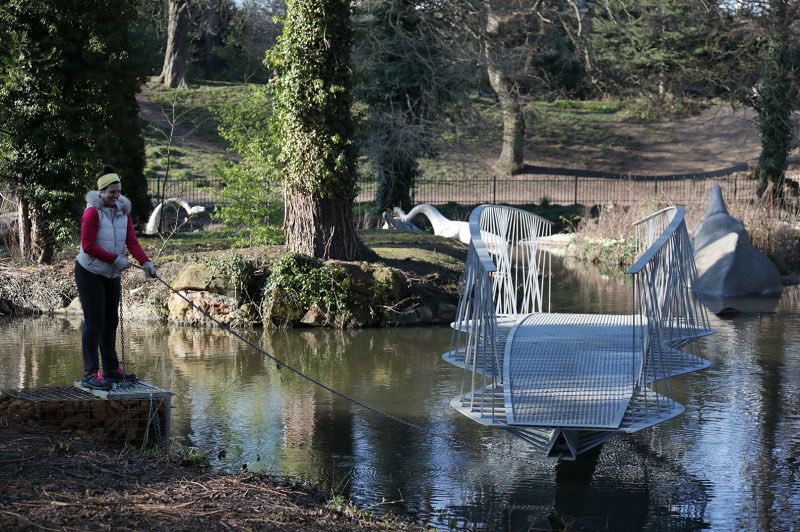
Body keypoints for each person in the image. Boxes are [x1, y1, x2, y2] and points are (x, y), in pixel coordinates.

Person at [75, 166, 157, 390]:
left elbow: (131, 242)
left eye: (118, 191)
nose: (116, 195)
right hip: (89, 272)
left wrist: (145, 262)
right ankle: (90, 374)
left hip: (111, 273)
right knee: (95, 322)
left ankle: (111, 370)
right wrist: (114, 259)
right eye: (111, 192)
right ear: (101, 192)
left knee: (111, 321)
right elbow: (88, 246)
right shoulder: (92, 212)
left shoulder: (123, 212)